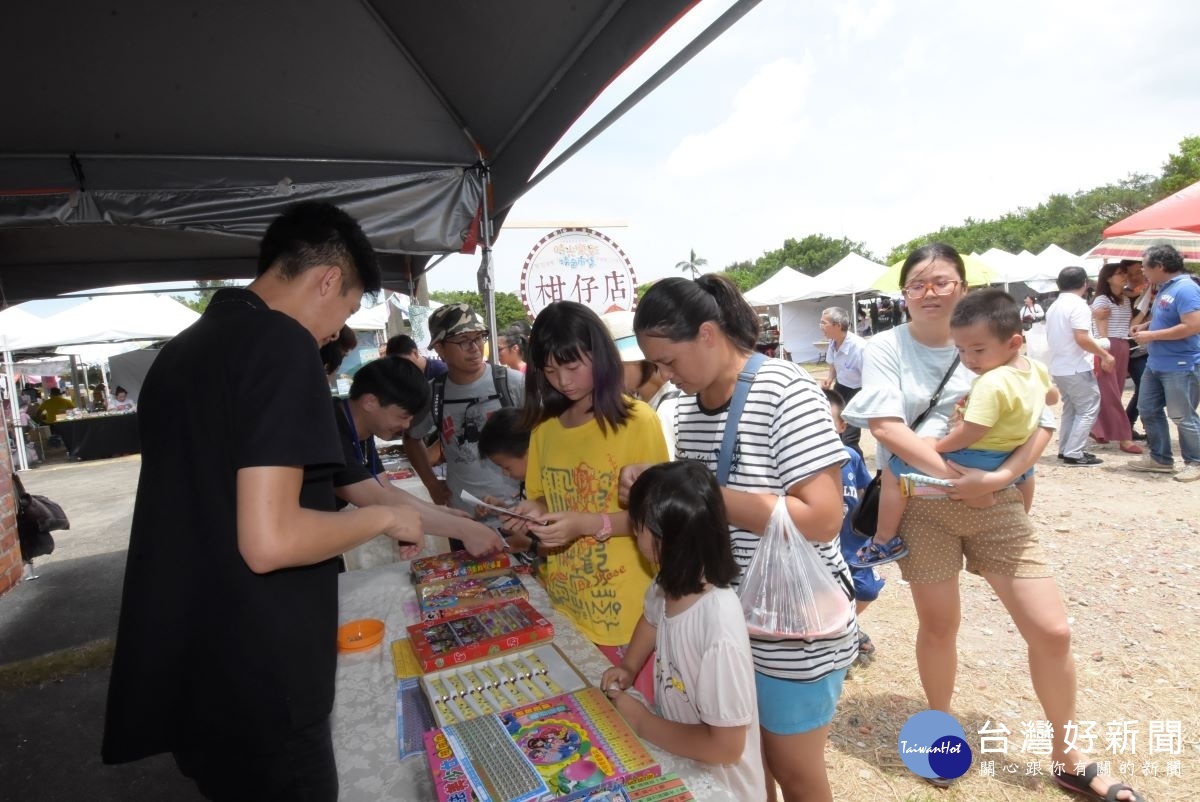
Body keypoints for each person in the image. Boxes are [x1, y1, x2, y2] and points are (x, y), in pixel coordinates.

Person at [102, 201, 425, 800]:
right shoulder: (280, 343)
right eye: (347, 309)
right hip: (258, 675)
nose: (335, 332)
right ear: (327, 279)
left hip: (194, 670)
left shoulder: (182, 351)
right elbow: (270, 539)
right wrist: (383, 515)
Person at [841, 243, 1146, 801]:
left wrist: (999, 478)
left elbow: (1043, 418)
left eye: (942, 282)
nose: (930, 292)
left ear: (962, 287)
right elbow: (886, 427)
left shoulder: (1001, 336)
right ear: (904, 292)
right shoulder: (885, 346)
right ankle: (939, 730)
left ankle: (1068, 753)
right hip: (921, 502)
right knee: (939, 626)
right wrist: (960, 480)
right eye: (918, 284)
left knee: (1052, 630)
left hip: (999, 500)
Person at [625, 275, 853, 802]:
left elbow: (822, 518)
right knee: (747, 771)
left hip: (787, 627)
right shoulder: (679, 409)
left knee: (794, 771)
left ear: (708, 334)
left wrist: (702, 492)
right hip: (718, 622)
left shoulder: (784, 391)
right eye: (654, 365)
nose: (663, 376)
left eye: (668, 361)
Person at [504, 301, 668, 702]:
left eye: (573, 367)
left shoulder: (637, 421)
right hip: (566, 605)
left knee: (632, 724)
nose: (563, 381)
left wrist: (586, 524)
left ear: (601, 355)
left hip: (628, 618)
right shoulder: (545, 430)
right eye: (550, 371)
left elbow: (659, 518)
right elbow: (545, 496)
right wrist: (533, 511)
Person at [853, 287, 1057, 567]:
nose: (969, 359)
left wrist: (937, 446)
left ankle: (884, 539)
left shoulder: (991, 382)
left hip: (978, 454)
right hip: (1012, 452)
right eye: (961, 350)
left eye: (978, 350)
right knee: (1025, 474)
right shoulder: (1035, 369)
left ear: (1013, 342)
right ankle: (1021, 515)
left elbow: (971, 431)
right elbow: (1052, 397)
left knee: (892, 473)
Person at [602, 460, 765, 802]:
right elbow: (651, 619)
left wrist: (643, 723)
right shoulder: (670, 583)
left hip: (722, 788)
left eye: (639, 525)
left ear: (667, 540)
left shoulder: (718, 627)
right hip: (682, 763)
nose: (633, 531)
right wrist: (629, 666)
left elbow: (726, 746)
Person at [331, 356, 505, 556]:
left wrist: (438, 512)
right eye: (403, 416)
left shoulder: (360, 428)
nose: (406, 426)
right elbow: (377, 498)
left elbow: (386, 489)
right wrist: (464, 530)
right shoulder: (329, 429)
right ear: (370, 402)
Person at [405, 303, 524, 538]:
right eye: (462, 341)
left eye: (479, 337)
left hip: (517, 516)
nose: (475, 348)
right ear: (439, 348)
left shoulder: (513, 384)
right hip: (462, 519)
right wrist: (431, 484)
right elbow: (411, 438)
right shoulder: (433, 393)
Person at [1128, 243, 1200, 482]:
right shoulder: (1165, 289)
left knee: (1181, 415)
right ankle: (1160, 458)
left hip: (1180, 364)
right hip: (1157, 362)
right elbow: (1167, 318)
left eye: (1145, 267)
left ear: (1159, 266)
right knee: (1147, 408)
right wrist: (1147, 326)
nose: (1143, 272)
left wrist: (1152, 336)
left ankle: (1195, 461)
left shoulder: (1186, 289)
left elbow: (1192, 326)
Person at [823, 388, 884, 665]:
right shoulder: (803, 463)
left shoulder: (851, 456)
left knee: (866, 590)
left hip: (853, 544)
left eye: (827, 421)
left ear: (841, 425)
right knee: (827, 596)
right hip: (824, 549)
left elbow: (863, 491)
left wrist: (870, 528)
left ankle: (847, 625)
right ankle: (838, 641)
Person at [1045, 266, 1114, 466]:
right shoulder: (1079, 306)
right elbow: (1082, 338)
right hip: (1076, 366)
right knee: (1088, 408)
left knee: (1071, 409)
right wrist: (1105, 354)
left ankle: (1066, 448)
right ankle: (1074, 452)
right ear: (1085, 283)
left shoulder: (1055, 306)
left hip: (1059, 366)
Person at [601, 309, 680, 458]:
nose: (607, 374)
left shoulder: (670, 406)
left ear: (639, 361)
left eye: (615, 365)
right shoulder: (648, 402)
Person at [1090, 262, 1142, 454]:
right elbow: (1101, 331)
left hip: (1121, 345)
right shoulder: (1103, 300)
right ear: (1108, 278)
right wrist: (1105, 353)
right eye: (1119, 274)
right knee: (1110, 393)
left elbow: (1129, 321)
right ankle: (1124, 437)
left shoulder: (1124, 299)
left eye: (1123, 273)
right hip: (1108, 346)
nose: (1124, 276)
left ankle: (1098, 429)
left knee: (1115, 391)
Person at [818, 306, 865, 456]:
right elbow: (833, 364)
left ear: (837, 325)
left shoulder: (859, 347)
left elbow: (870, 376)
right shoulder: (833, 342)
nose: (821, 327)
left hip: (858, 390)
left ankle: (857, 472)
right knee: (834, 430)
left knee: (849, 438)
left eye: (823, 323)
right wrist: (830, 379)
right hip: (841, 387)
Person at [1123, 260, 1150, 439]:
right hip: (1132, 349)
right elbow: (1130, 328)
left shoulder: (1152, 293)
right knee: (1144, 387)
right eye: (1129, 274)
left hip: (1148, 348)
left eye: (1137, 272)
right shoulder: (1124, 296)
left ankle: (1128, 426)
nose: (1133, 277)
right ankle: (1127, 426)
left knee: (1145, 388)